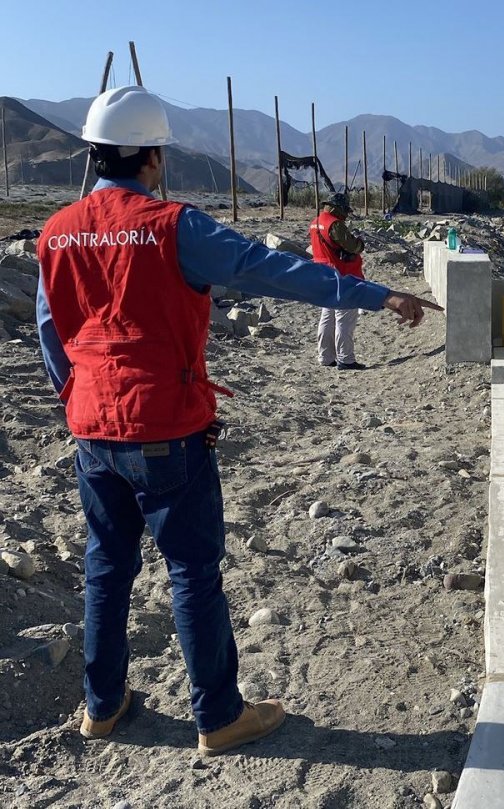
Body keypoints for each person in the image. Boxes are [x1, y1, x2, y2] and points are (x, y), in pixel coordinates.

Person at [35, 86, 441, 756]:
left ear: (95, 151)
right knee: (193, 569)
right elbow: (275, 272)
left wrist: (79, 403)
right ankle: (218, 716)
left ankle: (102, 707)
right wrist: (376, 293)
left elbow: (55, 337)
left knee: (106, 566)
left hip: (92, 430)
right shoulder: (173, 226)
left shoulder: (56, 231)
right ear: (154, 157)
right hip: (166, 426)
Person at [310, 192, 366, 370]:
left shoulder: (315, 222)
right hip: (342, 275)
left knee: (327, 316)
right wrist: (359, 244)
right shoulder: (334, 224)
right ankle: (345, 359)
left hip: (322, 273)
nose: (345, 216)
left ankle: (325, 356)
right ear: (337, 208)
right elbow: (351, 246)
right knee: (344, 318)